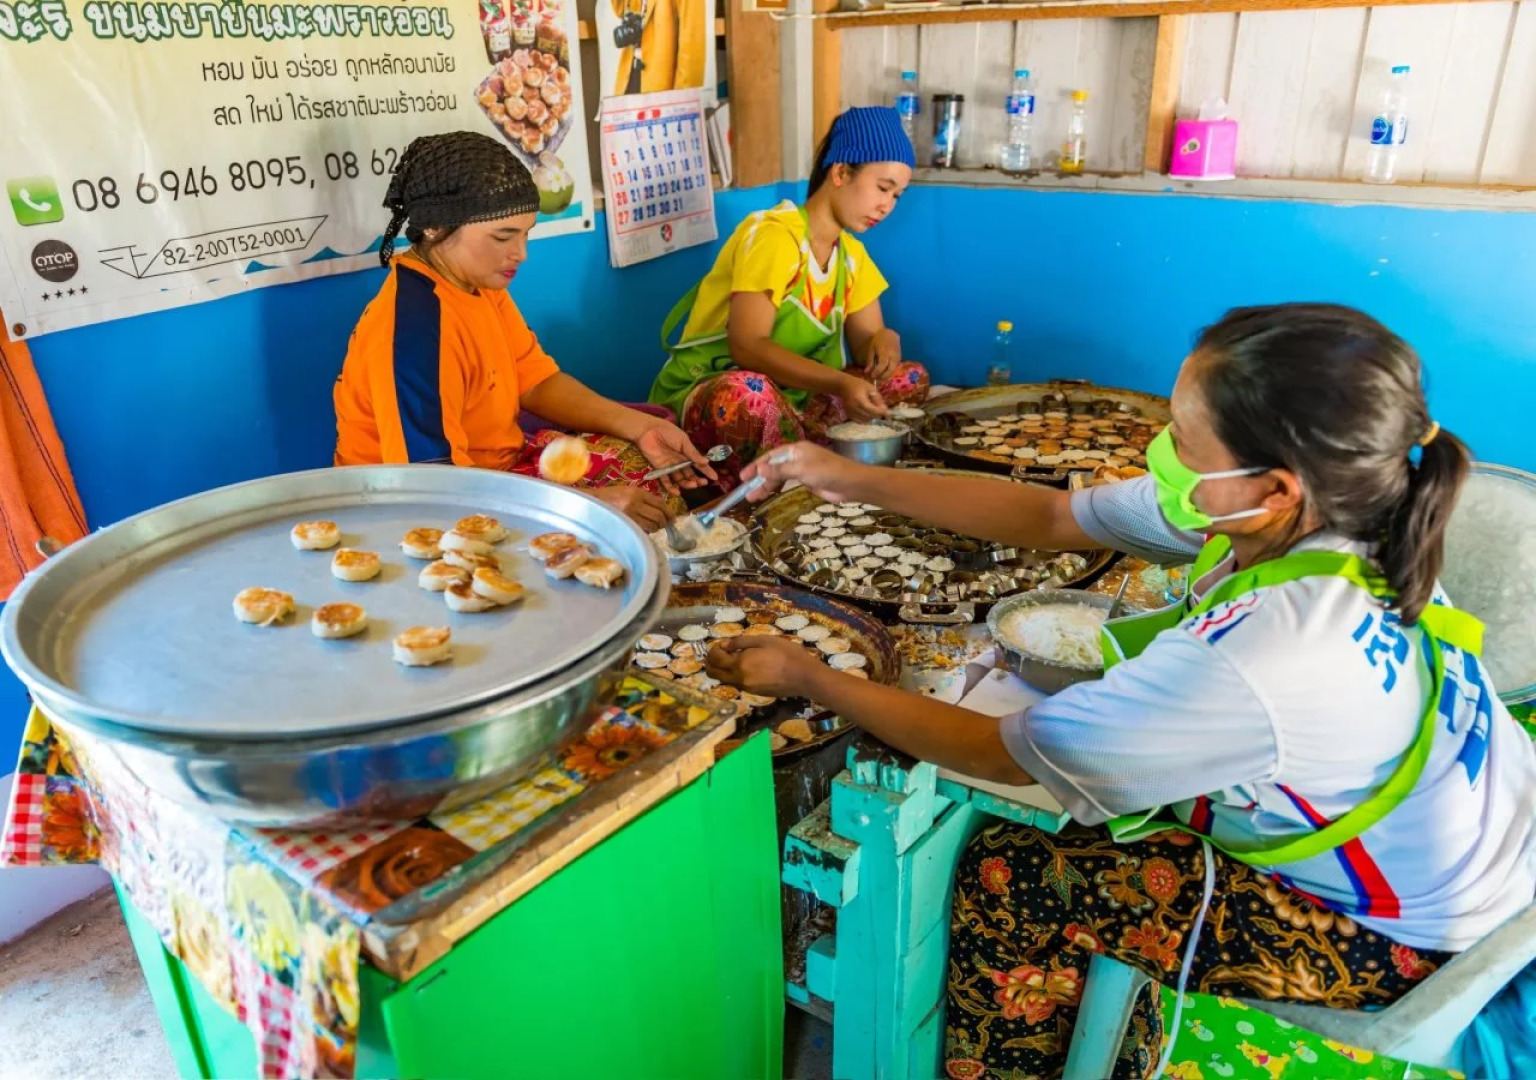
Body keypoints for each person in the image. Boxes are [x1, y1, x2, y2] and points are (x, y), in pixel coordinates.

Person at [708, 304, 1536, 1077]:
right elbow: (1055, 520)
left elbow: (998, 752)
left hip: (1410, 938)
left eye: (1183, 438)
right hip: (1489, 845)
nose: (1163, 455)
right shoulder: (1326, 509)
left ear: (1275, 486)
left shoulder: (1265, 653)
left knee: (1014, 868)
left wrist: (808, 676)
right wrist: (847, 477)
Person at [334, 131, 714, 530]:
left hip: (494, 473)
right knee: (621, 522)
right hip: (412, 512)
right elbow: (433, 488)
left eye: (525, 233)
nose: (521, 254)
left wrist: (643, 427)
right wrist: (584, 507)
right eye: (503, 237)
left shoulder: (475, 281)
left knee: (649, 479)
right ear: (434, 227)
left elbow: (535, 381)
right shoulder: (414, 333)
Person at [648, 106, 930, 488]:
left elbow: (867, 349)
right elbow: (747, 347)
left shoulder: (852, 256)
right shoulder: (775, 237)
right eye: (882, 188)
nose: (888, 206)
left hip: (798, 397)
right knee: (750, 396)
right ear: (841, 172)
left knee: (906, 378)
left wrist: (885, 340)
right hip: (721, 391)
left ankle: (803, 450)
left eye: (897, 195)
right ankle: (775, 478)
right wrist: (839, 385)